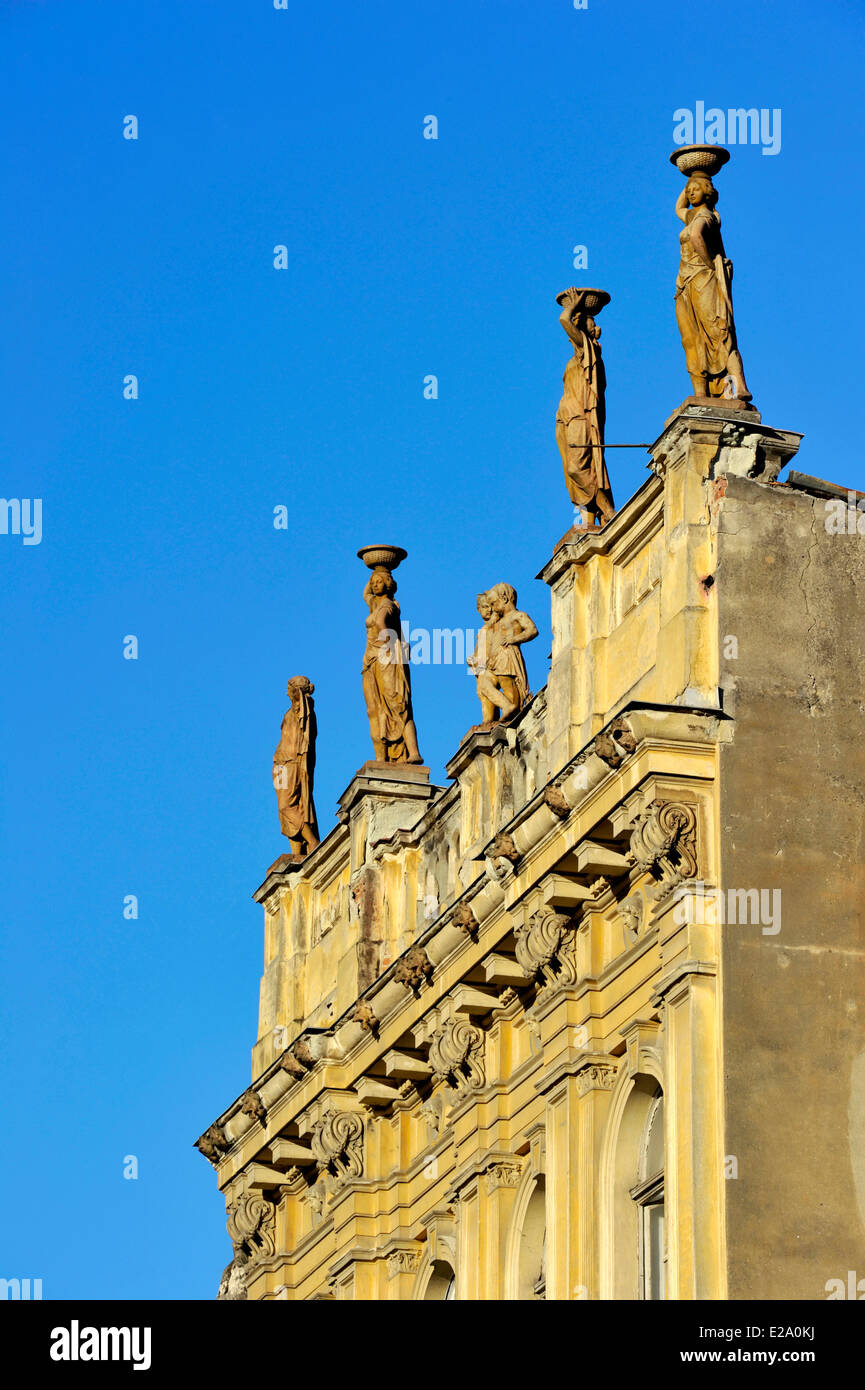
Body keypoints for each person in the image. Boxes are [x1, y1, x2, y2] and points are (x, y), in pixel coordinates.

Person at [674, 172, 751, 401]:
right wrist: (691, 177)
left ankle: (736, 388)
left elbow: (697, 237)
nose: (690, 193)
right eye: (689, 190)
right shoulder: (692, 215)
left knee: (718, 333)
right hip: (686, 284)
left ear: (707, 193)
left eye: (695, 189)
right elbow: (678, 207)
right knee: (692, 338)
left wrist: (709, 266)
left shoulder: (705, 216)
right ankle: (702, 391)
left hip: (703, 281)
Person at [361, 567, 422, 763]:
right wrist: (377, 568)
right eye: (373, 582)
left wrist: (387, 635)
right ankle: (383, 756)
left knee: (397, 705)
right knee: (376, 709)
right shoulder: (375, 604)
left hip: (387, 658)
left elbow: (380, 621)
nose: (374, 585)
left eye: (379, 581)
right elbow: (366, 593)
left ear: (388, 585)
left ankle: (413, 753)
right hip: (373, 661)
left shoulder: (387, 604)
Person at [272, 675, 319, 854]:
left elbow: (304, 707)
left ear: (296, 690)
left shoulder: (304, 710)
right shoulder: (291, 712)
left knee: (287, 806)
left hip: (290, 765)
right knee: (283, 809)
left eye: (289, 688)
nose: (286, 692)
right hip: (280, 766)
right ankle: (297, 853)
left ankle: (312, 841)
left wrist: (301, 694)